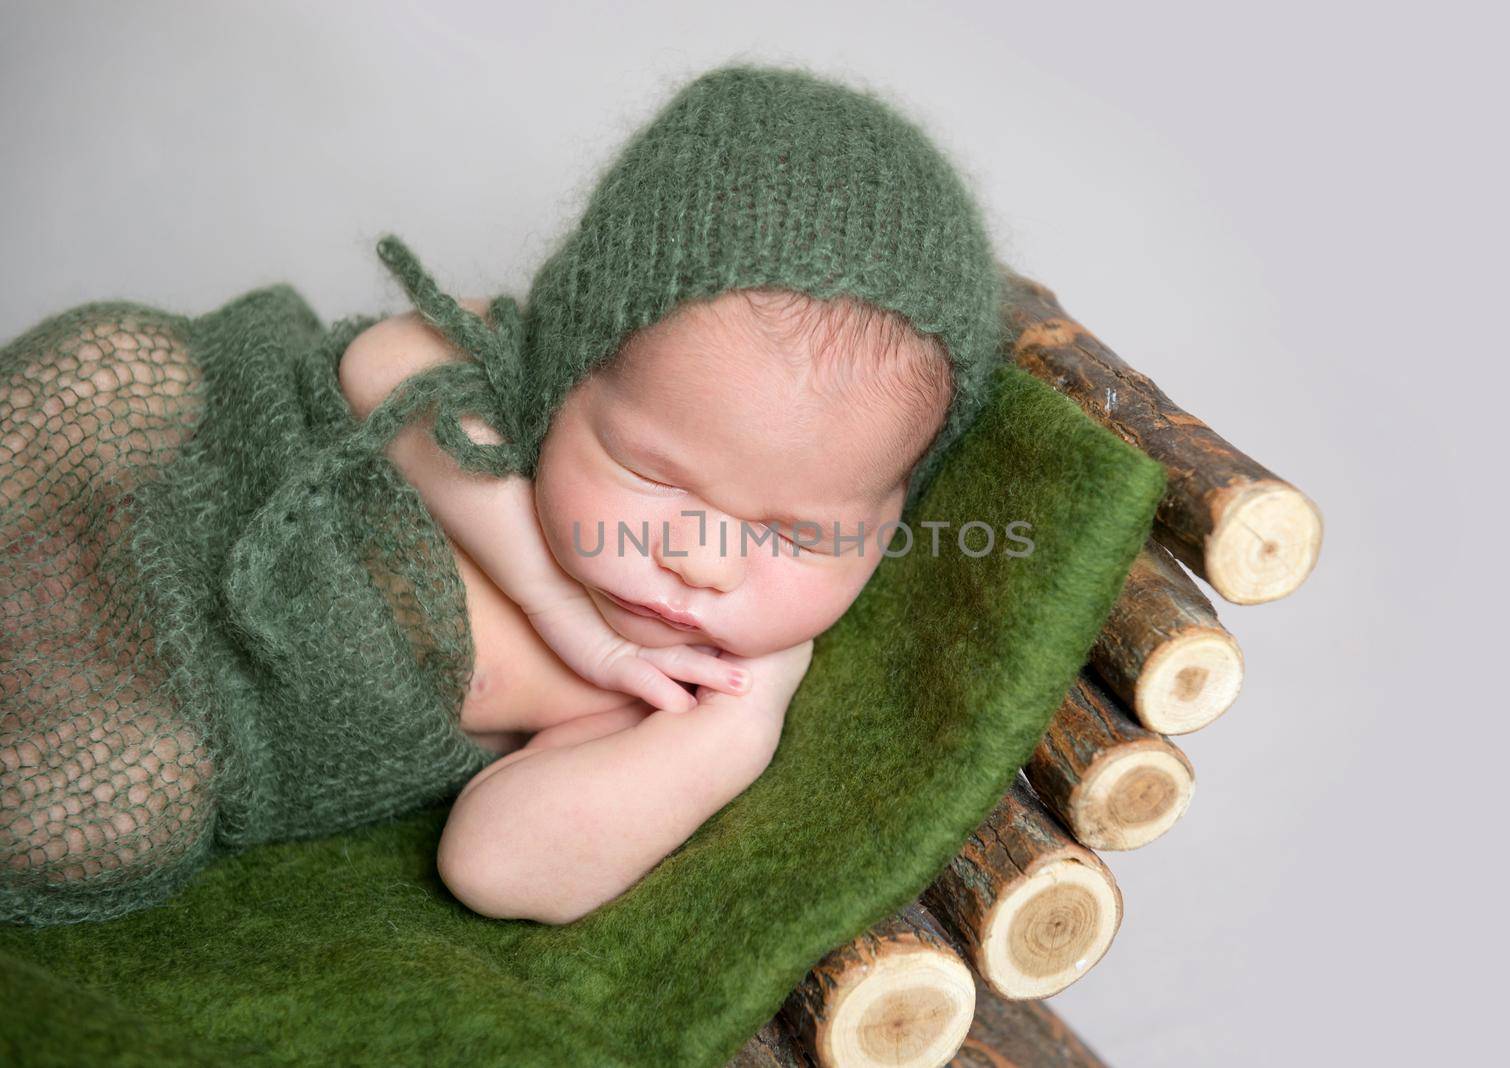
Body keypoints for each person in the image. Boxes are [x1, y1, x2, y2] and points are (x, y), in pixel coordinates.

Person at [1, 62, 1006, 927]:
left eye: (800, 534)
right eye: (653, 475)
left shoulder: (675, 690)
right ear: (569, 366)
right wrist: (551, 597)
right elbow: (376, 361)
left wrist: (736, 731)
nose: (700, 560)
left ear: (889, 520)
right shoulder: (515, 389)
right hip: (159, 488)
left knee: (117, 803)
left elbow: (496, 864)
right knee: (120, 369)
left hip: (188, 711)